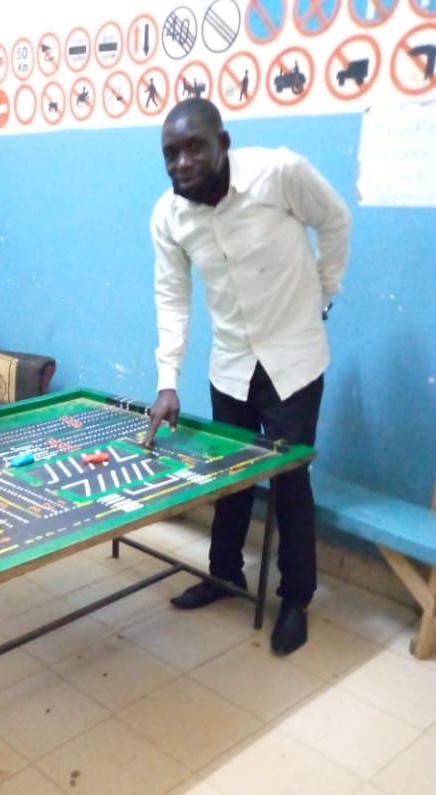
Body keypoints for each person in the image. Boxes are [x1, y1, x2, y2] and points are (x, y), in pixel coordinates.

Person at [144, 98, 351, 655]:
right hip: (231, 364)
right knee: (229, 474)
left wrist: (325, 290)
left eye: (194, 148)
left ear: (223, 143)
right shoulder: (168, 216)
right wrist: (168, 380)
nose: (182, 162)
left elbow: (335, 220)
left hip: (293, 360)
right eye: (170, 153)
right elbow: (172, 296)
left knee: (290, 482)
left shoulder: (279, 173)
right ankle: (223, 574)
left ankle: (296, 599)